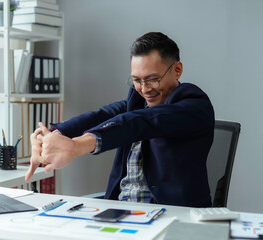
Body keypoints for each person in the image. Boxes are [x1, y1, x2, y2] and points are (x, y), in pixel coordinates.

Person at [25, 32, 215, 207]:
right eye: (137, 80)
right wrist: (51, 137)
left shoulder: (195, 106)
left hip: (172, 215)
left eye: (152, 79)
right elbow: (101, 116)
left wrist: (76, 146)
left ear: (177, 70)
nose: (145, 88)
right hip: (121, 212)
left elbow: (142, 122)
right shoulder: (138, 102)